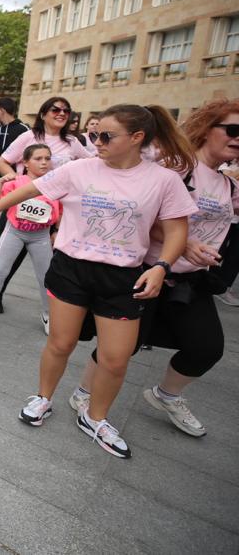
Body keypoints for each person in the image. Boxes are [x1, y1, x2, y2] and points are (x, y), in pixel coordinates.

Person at [0, 104, 196, 459]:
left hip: (124, 276)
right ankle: (43, 398)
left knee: (116, 359)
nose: (95, 141)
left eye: (105, 136)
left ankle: (96, 417)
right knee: (60, 344)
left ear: (137, 137)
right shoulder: (79, 169)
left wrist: (161, 266)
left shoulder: (163, 180)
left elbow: (177, 229)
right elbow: (29, 190)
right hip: (71, 267)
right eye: (93, 134)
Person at [71, 99, 239, 438]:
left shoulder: (229, 185)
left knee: (207, 347)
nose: (238, 138)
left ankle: (167, 395)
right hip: (146, 269)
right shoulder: (175, 169)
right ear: (208, 129)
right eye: (233, 130)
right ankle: (84, 393)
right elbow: (139, 213)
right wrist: (186, 243)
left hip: (190, 281)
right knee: (123, 346)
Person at [0, 96, 92, 315]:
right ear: (43, 114)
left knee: (51, 265)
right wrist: (18, 183)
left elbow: (92, 165)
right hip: (21, 206)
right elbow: (2, 161)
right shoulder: (29, 136)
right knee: (7, 259)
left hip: (56, 212)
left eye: (66, 110)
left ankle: (53, 309)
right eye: (55, 109)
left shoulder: (72, 142)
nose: (61, 113)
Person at [0, 144, 61, 331]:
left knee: (46, 277)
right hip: (14, 232)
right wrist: (1, 182)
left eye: (47, 158)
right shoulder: (15, 182)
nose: (44, 162)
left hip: (40, 235)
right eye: (38, 158)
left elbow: (62, 210)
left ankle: (48, 314)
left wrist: (56, 231)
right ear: (25, 162)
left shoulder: (56, 184)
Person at [0, 97, 29, 252]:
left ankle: (7, 240)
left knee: (10, 209)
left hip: (14, 177)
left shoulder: (23, 130)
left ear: (1, 110)